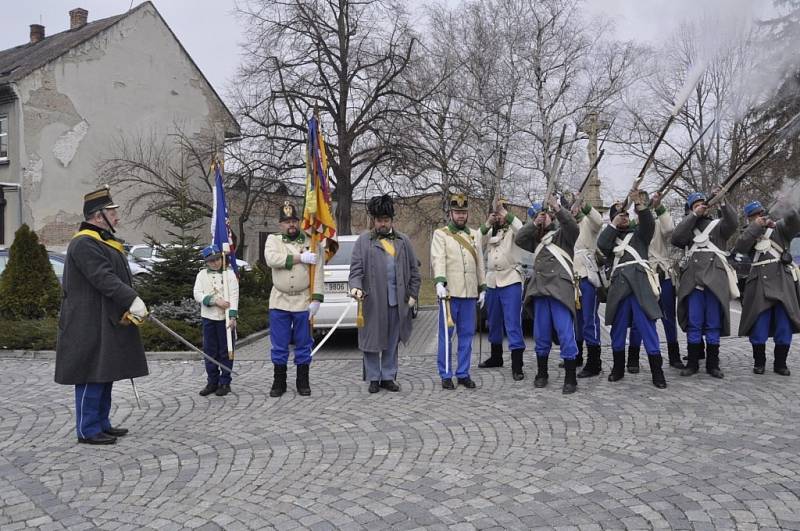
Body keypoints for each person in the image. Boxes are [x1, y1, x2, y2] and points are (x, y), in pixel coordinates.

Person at [55, 186, 149, 445]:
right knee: (90, 374)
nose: (117, 217)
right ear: (99, 216)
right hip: (86, 322)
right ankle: (87, 429)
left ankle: (101, 423)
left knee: (104, 373)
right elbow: (103, 278)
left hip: (103, 319)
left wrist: (129, 301)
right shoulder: (84, 243)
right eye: (113, 212)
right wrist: (131, 298)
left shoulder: (103, 241)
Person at [348, 195, 421, 393]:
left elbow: (415, 271)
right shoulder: (363, 241)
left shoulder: (403, 241)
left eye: (386, 220)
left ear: (391, 220)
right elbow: (355, 270)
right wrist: (355, 287)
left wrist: (413, 295)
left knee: (391, 341)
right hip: (372, 300)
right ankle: (373, 377)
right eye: (379, 220)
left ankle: (388, 376)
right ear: (374, 220)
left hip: (397, 301)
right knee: (371, 339)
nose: (382, 223)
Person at [597, 190, 667, 389]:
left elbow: (649, 224)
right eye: (620, 215)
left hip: (640, 287)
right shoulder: (609, 236)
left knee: (648, 330)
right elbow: (602, 246)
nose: (625, 218)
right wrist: (613, 225)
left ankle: (657, 371)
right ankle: (618, 368)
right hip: (619, 289)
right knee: (617, 332)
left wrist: (641, 206)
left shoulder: (639, 235)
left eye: (627, 215)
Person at [515, 196, 580, 394]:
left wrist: (557, 208)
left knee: (566, 334)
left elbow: (573, 227)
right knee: (541, 335)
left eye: (545, 216)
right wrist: (534, 223)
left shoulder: (563, 235)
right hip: (540, 291)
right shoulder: (535, 239)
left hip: (560, 291)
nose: (544, 219)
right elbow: (519, 238)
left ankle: (571, 378)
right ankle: (541, 373)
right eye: (538, 217)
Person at [671, 191, 738, 378]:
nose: (701, 206)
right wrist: (694, 215)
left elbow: (733, 223)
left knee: (713, 324)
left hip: (715, 280)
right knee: (694, 323)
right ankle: (692, 363)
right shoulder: (687, 227)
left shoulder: (718, 226)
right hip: (693, 281)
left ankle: (713, 364)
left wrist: (723, 201)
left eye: (703, 204)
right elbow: (676, 238)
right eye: (696, 204)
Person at [264, 201, 324, 396]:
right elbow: (272, 259)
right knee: (279, 344)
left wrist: (316, 298)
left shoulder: (311, 240)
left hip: (302, 300)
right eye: (286, 221)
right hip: (279, 300)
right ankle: (278, 382)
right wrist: (299, 258)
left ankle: (302, 381)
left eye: (293, 221)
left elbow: (319, 270)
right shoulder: (273, 240)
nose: (290, 224)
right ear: (280, 224)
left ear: (299, 222)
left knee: (303, 343)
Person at [734, 200, 800, 376]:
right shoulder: (748, 232)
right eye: (754, 215)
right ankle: (759, 362)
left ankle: (780, 363)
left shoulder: (780, 228)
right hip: (759, 283)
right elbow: (741, 246)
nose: (759, 217)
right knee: (759, 325)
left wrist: (787, 205)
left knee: (784, 325)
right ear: (749, 218)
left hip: (781, 281)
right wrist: (756, 226)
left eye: (760, 213)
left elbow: (795, 222)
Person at [430, 193, 486, 390]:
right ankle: (446, 373)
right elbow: (438, 259)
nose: (461, 216)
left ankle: (463, 373)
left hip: (469, 292)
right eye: (457, 212)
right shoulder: (441, 234)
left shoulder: (474, 234)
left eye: (463, 212)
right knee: (446, 335)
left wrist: (483, 286)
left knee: (467, 335)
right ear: (451, 213)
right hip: (450, 293)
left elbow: (480, 262)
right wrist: (439, 282)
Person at [625, 193, 685, 371]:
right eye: (639, 203)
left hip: (662, 273)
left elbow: (670, 230)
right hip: (643, 275)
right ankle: (633, 358)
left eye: (644, 201)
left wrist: (659, 207)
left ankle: (674, 356)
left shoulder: (659, 222)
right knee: (639, 319)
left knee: (668, 317)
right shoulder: (633, 226)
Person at [478, 198, 526, 380]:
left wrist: (506, 214)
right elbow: (476, 241)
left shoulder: (513, 230)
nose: (499, 216)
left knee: (512, 322)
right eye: (497, 213)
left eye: (501, 212)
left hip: (511, 278)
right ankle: (496, 356)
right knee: (493, 321)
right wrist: (487, 223)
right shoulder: (491, 231)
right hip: (492, 281)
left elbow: (521, 228)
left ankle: (517, 364)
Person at [193, 244, 239, 397]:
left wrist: (233, 315)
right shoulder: (201, 275)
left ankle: (225, 382)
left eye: (218, 259)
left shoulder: (229, 274)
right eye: (211, 261)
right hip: (209, 317)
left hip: (225, 319)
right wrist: (214, 300)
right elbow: (197, 294)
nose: (215, 263)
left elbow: (234, 295)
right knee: (210, 351)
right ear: (206, 262)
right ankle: (212, 381)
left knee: (225, 351)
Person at [570, 199, 604, 378]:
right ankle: (577, 355)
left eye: (575, 207)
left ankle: (594, 362)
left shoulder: (588, 223)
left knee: (589, 319)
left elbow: (599, 221)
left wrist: (585, 206)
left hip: (587, 275)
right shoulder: (567, 226)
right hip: (571, 278)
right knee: (576, 320)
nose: (573, 210)